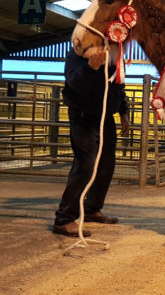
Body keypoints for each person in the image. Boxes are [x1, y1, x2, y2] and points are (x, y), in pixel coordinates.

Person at [53, 49, 130, 237]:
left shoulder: (114, 53)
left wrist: (123, 111)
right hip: (83, 115)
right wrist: (90, 67)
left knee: (106, 166)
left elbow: (118, 84)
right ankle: (63, 219)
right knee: (85, 165)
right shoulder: (78, 53)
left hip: (106, 116)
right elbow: (72, 85)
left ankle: (91, 209)